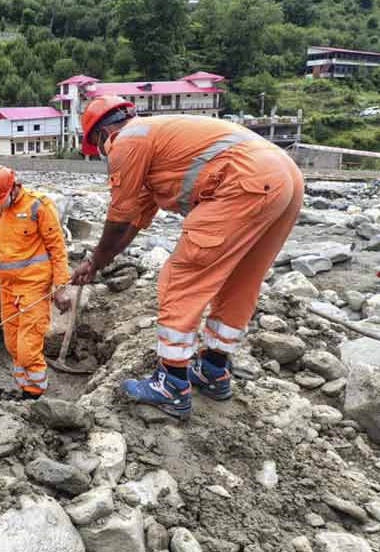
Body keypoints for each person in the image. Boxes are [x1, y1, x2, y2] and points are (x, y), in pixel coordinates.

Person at [71, 96, 304, 420]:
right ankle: (213, 370)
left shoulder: (126, 140)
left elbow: (119, 217)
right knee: (241, 279)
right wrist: (96, 263)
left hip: (245, 181)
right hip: (284, 177)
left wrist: (95, 259)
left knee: (180, 278)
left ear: (102, 134)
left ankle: (171, 384)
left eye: (99, 149)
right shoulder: (159, 141)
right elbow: (134, 222)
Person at [0, 165, 71, 399]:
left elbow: (57, 248)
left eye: (0, 199)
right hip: (8, 288)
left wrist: (60, 287)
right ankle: (25, 390)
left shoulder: (38, 206)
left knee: (27, 350)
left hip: (34, 287)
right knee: (12, 345)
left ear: (13, 188)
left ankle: (35, 394)